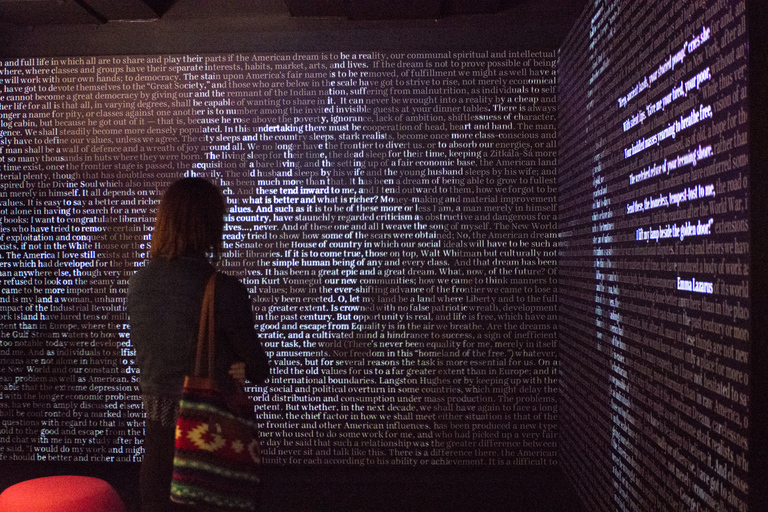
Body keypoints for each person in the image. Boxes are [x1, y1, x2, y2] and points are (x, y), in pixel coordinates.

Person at [127, 177, 270, 511]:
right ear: (210, 225)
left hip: (158, 452)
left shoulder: (138, 284)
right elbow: (260, 370)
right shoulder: (223, 289)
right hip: (207, 449)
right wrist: (236, 363)